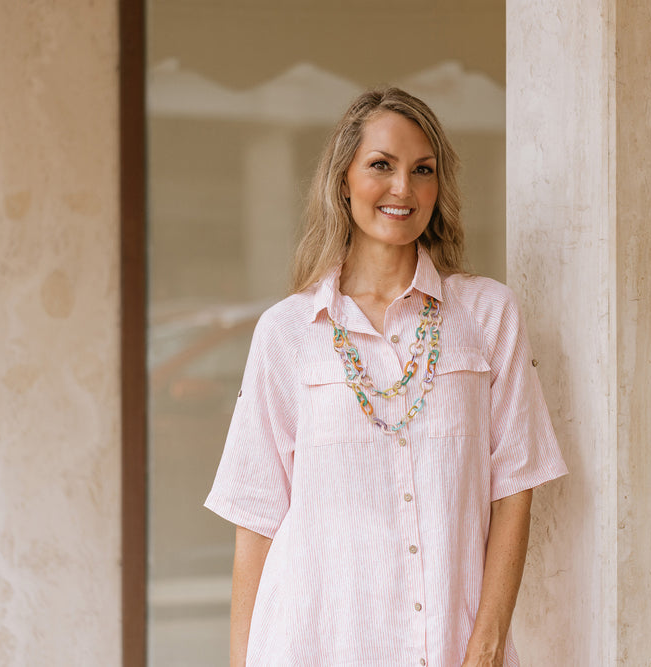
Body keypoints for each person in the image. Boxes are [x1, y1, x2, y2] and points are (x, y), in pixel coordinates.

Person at [204, 87, 567, 667]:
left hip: (448, 648)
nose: (403, 187)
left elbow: (514, 488)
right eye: (381, 165)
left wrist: (489, 644)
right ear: (343, 181)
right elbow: (257, 518)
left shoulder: (487, 316)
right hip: (314, 645)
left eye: (423, 169)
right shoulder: (287, 332)